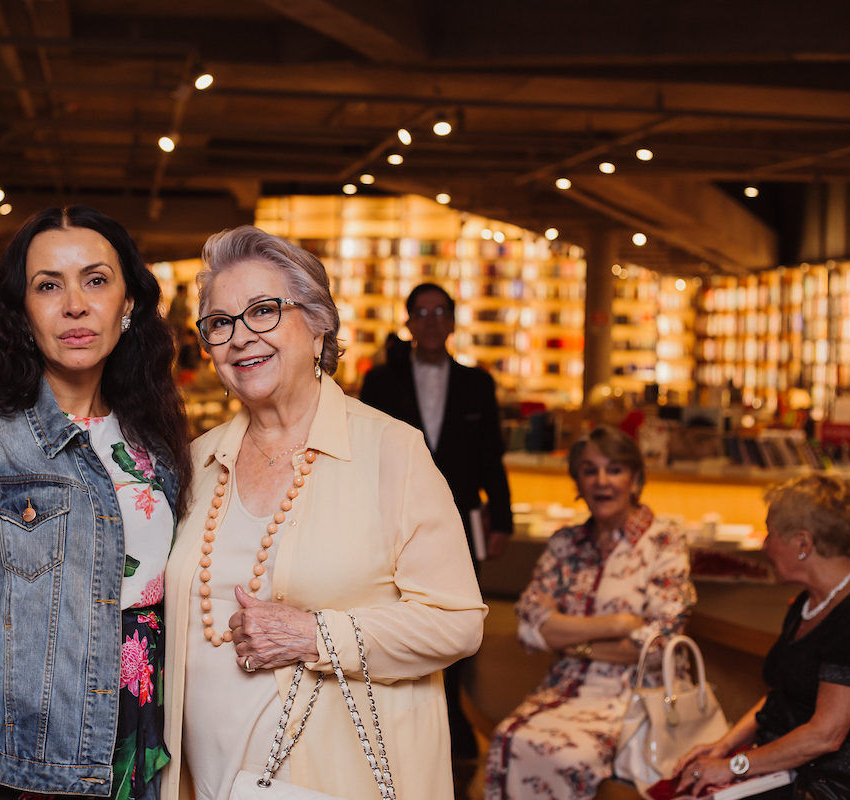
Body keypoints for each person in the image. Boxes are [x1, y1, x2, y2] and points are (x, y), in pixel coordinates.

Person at [162, 226, 487, 800]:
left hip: (332, 780)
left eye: (263, 311)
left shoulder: (392, 452)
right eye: (220, 322)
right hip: (203, 780)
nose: (240, 337)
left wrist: (315, 635)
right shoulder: (196, 461)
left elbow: (458, 620)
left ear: (317, 325)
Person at [0, 206, 191, 799]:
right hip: (21, 770)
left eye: (96, 280)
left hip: (140, 756)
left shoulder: (155, 446)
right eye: (48, 286)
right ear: (22, 313)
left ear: (129, 303)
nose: (75, 304)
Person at [485, 425, 695, 800]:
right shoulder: (566, 543)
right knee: (507, 737)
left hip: (634, 698)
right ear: (577, 482)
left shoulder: (665, 540)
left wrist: (570, 641)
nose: (602, 481)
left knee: (570, 755)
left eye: (614, 469)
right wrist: (616, 624)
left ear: (636, 479)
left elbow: (659, 641)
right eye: (589, 470)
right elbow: (529, 627)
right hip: (562, 687)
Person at [359, 282, 513, 759]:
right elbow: (367, 452)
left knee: (458, 619)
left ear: (451, 321)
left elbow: (492, 455)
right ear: (408, 322)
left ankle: (451, 719)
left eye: (439, 311)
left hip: (464, 521)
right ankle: (398, 722)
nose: (429, 320)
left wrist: (502, 517)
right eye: (420, 312)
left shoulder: (477, 383)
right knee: (396, 611)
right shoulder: (380, 381)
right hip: (391, 516)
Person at [675, 475, 850, 799]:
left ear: (803, 544)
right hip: (785, 766)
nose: (764, 545)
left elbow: (826, 735)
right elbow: (781, 695)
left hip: (829, 783)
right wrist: (724, 746)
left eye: (771, 533)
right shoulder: (808, 602)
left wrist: (736, 765)